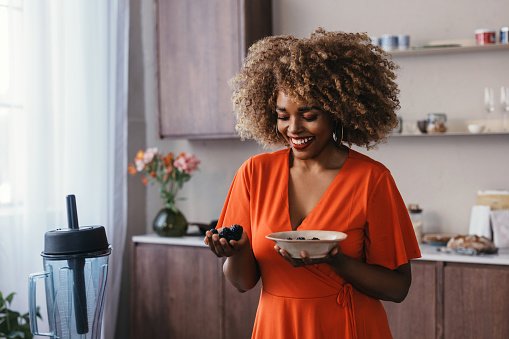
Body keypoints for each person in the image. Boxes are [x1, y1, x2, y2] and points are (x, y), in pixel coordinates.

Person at [204, 27, 421, 339]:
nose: (294, 128)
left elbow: (399, 287)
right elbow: (242, 283)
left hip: (348, 326)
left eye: (309, 115)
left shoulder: (372, 179)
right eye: (283, 116)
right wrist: (234, 252)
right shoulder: (254, 173)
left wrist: (336, 261)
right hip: (277, 326)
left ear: (336, 112)